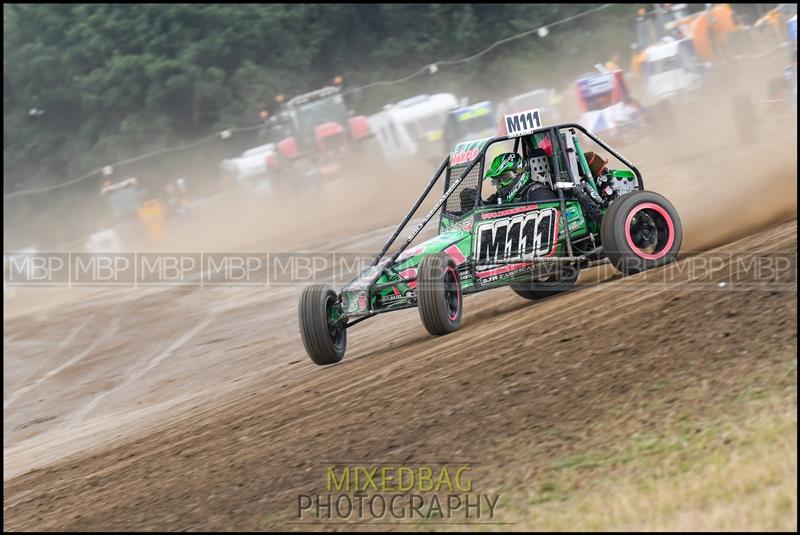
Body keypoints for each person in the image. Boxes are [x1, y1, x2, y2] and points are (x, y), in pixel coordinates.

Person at [483, 152, 557, 205]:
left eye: (505, 178)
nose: (500, 184)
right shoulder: (500, 196)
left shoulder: (538, 194)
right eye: (497, 181)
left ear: (520, 173)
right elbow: (486, 206)